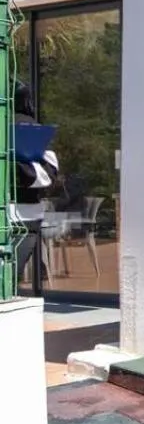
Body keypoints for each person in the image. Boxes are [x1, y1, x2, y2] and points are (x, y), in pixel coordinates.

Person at [10, 81, 60, 284]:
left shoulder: (27, 127)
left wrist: (15, 168)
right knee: (10, 277)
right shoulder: (34, 128)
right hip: (27, 215)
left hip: (22, 214)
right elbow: (48, 174)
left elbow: (46, 173)